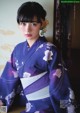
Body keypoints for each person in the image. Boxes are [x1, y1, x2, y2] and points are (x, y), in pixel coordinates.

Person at [0, 1, 76, 113]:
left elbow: (59, 84)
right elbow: (9, 80)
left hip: (47, 105)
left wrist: (66, 108)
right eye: (23, 23)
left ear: (42, 24)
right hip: (29, 102)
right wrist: (2, 103)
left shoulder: (50, 50)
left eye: (34, 24)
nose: (27, 29)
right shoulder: (17, 50)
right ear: (19, 24)